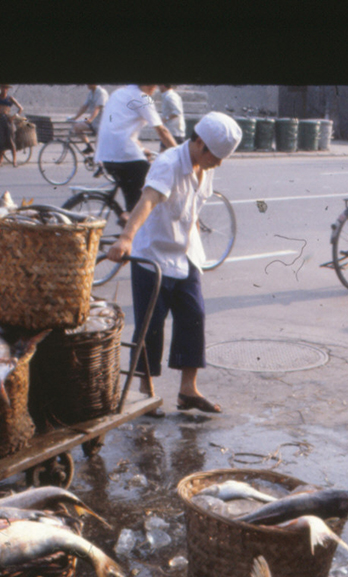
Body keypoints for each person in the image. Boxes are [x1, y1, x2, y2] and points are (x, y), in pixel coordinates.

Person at [105, 112, 242, 416]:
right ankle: (145, 391)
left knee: (194, 316)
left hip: (186, 251)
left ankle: (187, 390)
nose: (217, 164)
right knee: (150, 325)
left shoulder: (205, 167)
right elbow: (149, 200)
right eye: (215, 157)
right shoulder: (168, 164)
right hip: (153, 254)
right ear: (200, 143)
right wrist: (126, 237)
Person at [95, 85, 177, 223]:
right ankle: (129, 225)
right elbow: (162, 131)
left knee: (134, 198)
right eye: (153, 85)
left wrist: (141, 148)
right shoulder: (142, 98)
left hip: (105, 153)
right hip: (125, 156)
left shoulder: (118, 92)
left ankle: (129, 220)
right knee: (153, 185)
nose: (154, 88)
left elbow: (120, 126)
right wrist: (180, 154)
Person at [0, 84, 24, 168]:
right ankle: (1, 160)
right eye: (3, 87)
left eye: (6, 88)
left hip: (8, 120)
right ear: (0, 88)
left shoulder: (10, 98)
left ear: (7, 89)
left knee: (11, 140)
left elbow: (21, 108)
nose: (4, 89)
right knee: (0, 141)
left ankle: (14, 161)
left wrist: (14, 117)